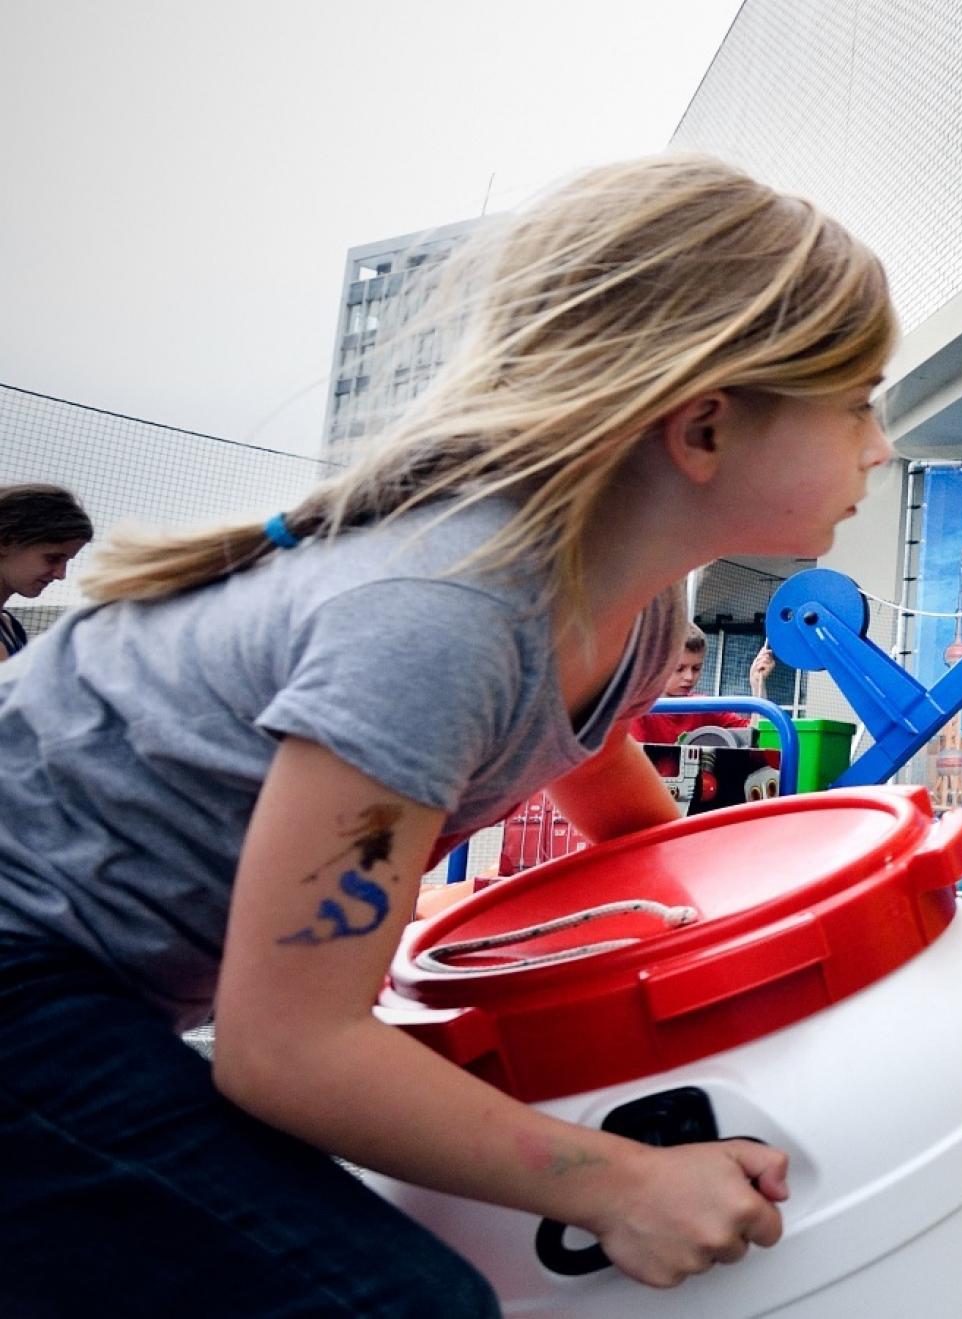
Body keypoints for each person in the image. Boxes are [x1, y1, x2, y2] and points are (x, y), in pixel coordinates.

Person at [0, 155, 894, 1314]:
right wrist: (617, 1182)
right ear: (706, 427)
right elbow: (286, 1053)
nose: (878, 444)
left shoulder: (630, 611)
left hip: (103, 995)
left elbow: (642, 863)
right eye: (857, 398)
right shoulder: (441, 619)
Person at [0, 485, 94, 665]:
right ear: (6, 541)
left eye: (67, 561)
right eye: (53, 558)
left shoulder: (11, 628)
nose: (61, 574)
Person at [626, 622, 713, 745]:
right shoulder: (635, 710)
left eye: (696, 668)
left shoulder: (706, 707)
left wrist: (752, 687)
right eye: (679, 669)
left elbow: (748, 735)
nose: (689, 677)